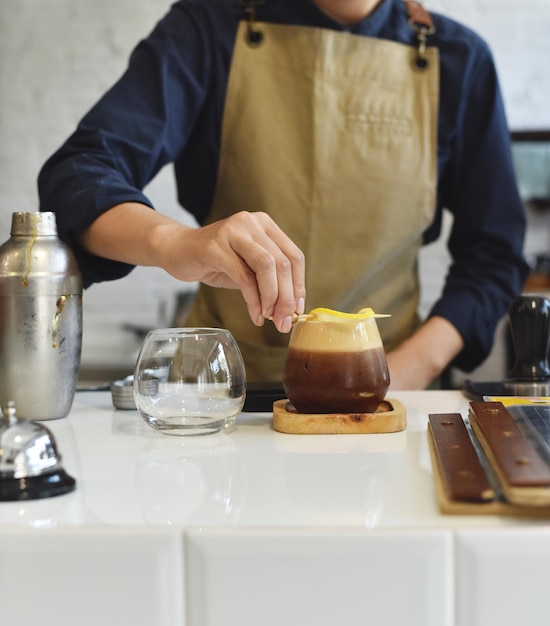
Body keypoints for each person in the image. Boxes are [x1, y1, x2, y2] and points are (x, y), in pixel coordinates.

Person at [38, 0, 529, 388]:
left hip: (392, 392)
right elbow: (79, 175)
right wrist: (177, 245)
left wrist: (411, 368)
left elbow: (494, 254)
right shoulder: (207, 29)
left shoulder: (461, 60)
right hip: (223, 392)